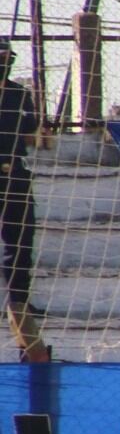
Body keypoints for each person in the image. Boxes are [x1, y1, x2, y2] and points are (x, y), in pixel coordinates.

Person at [0, 47, 50, 363]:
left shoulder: (18, 93)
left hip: (13, 172)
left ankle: (19, 301)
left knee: (20, 243)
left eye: (8, 58)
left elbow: (33, 130)